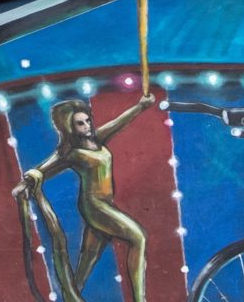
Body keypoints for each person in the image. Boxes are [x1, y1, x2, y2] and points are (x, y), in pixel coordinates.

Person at [16, 94, 155, 302]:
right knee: (138, 237)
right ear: (69, 128)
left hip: (104, 205)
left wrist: (140, 106)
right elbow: (43, 169)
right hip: (94, 207)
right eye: (80, 124)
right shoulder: (71, 153)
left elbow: (119, 123)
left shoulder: (96, 139)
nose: (87, 126)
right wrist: (26, 183)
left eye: (87, 120)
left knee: (85, 264)